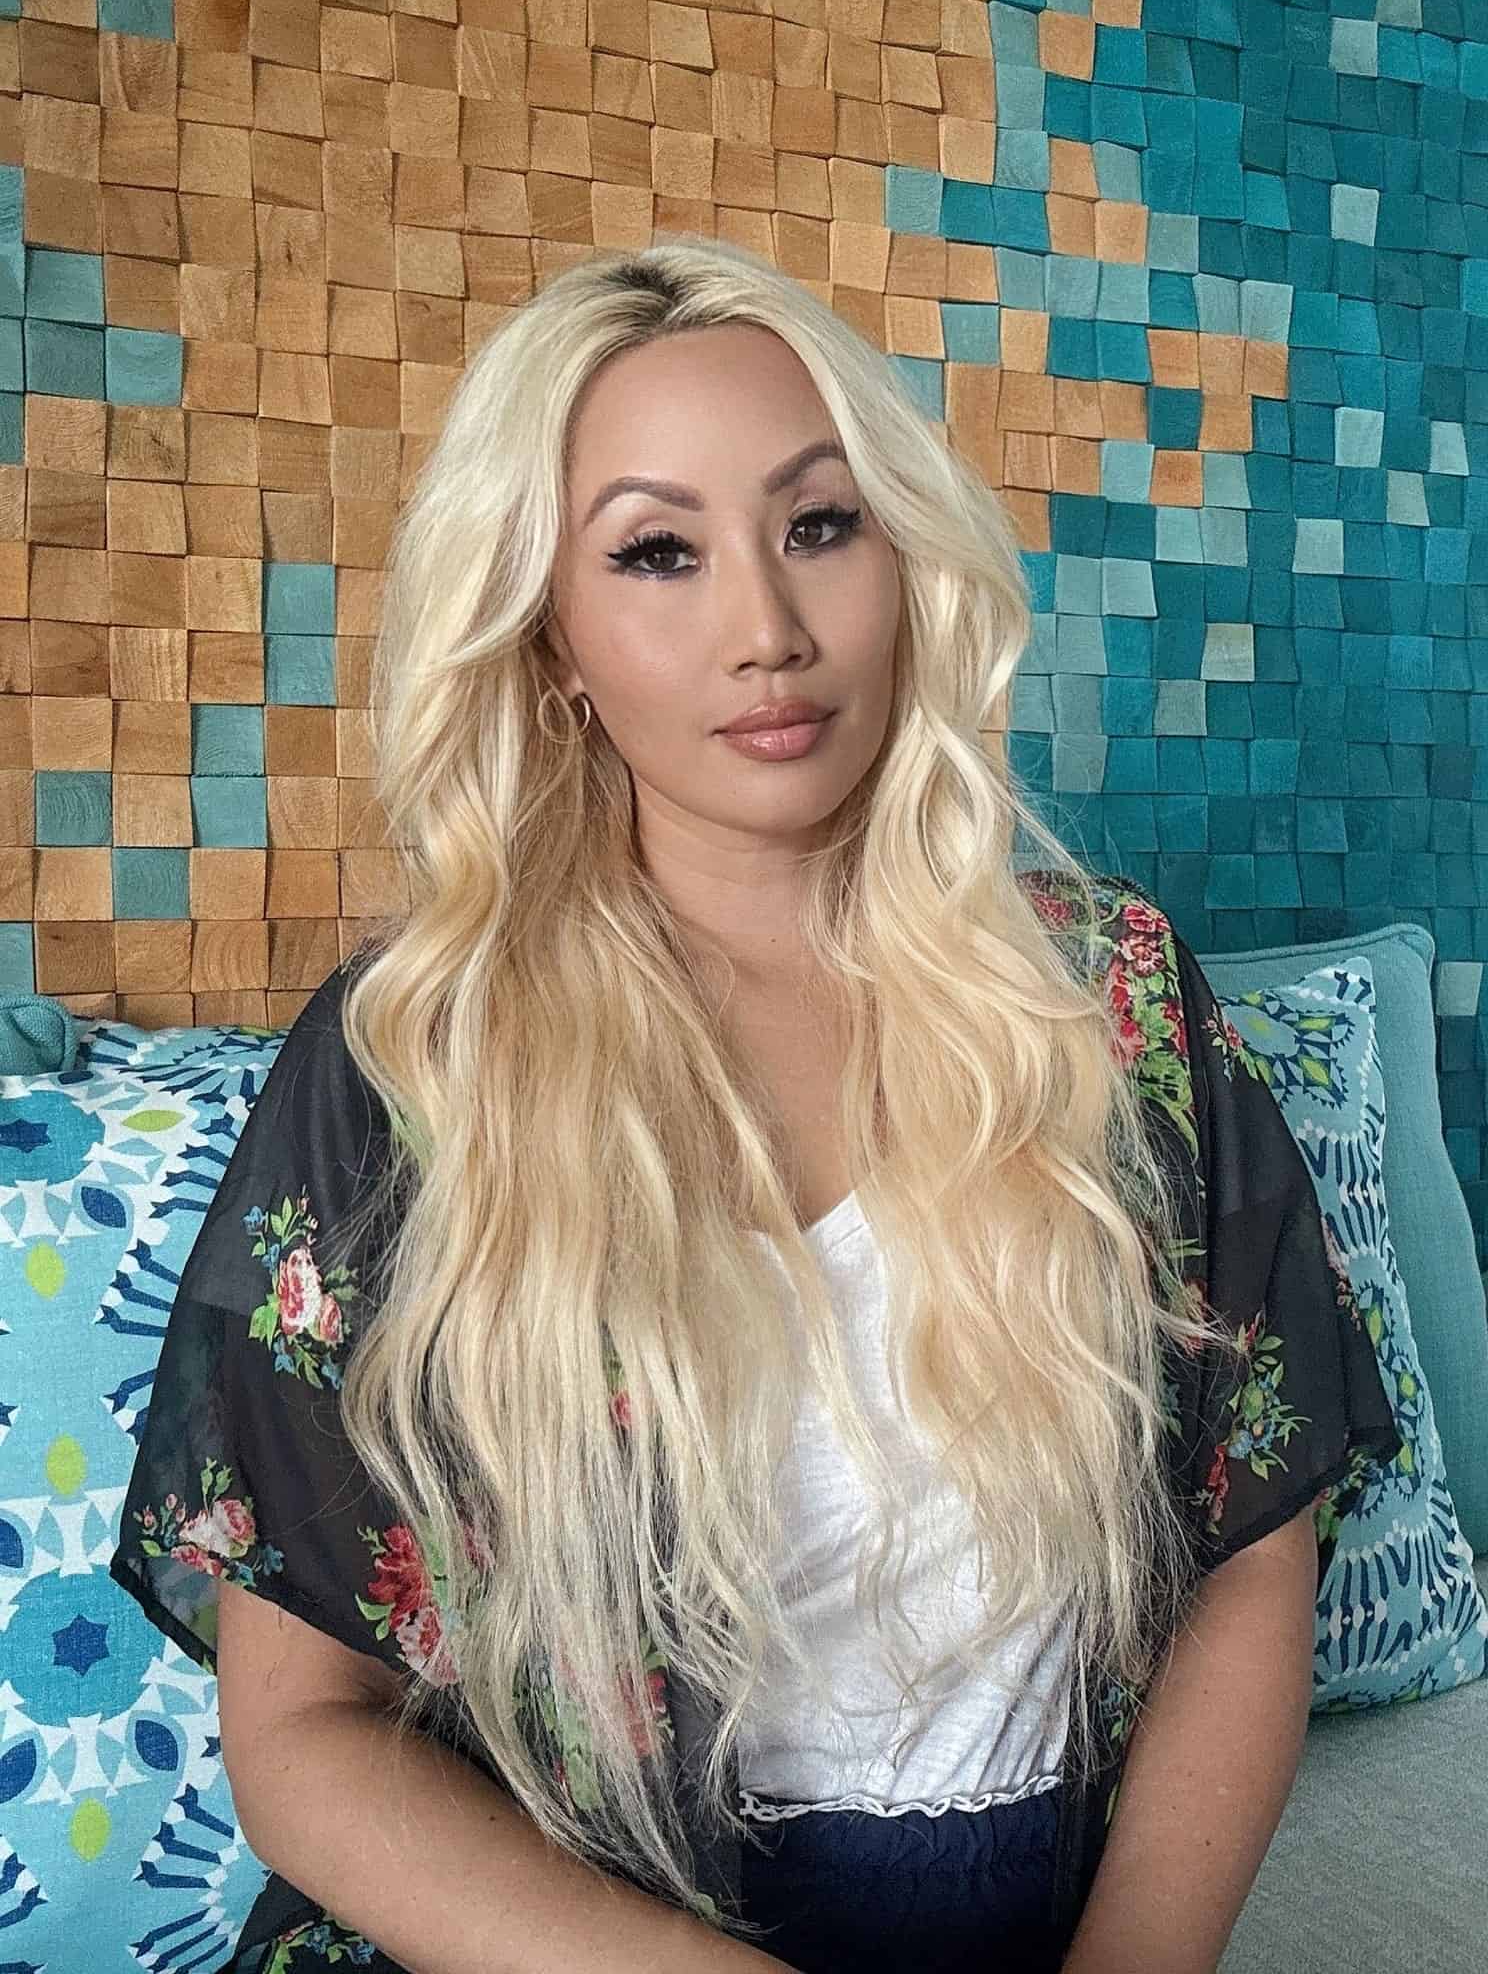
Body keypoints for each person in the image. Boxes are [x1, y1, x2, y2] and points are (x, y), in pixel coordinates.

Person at [110, 237, 1400, 1974]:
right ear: (552, 638)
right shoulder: (412, 1065)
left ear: (908, 560)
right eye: (658, 551)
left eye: (819, 524)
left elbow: (1255, 1546)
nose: (768, 633)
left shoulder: (1104, 1004)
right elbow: (302, 1741)